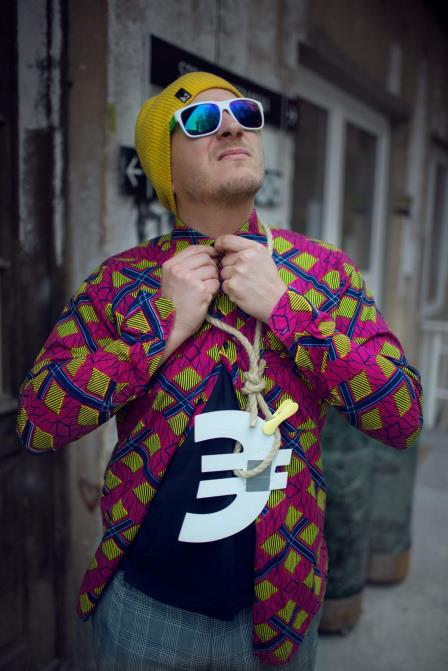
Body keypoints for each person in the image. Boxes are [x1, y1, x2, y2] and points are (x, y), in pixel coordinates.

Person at [17, 71, 423, 670]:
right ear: (165, 166)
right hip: (145, 616)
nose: (233, 127)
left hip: (285, 614)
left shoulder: (323, 272)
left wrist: (285, 310)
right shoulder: (122, 281)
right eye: (203, 121)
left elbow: (402, 415)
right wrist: (159, 330)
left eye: (244, 113)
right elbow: (36, 420)